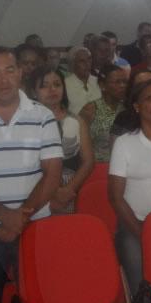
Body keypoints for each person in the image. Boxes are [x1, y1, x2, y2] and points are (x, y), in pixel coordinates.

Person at [0, 47, 62, 303]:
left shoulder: (42, 115)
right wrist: (4, 215)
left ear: (20, 73)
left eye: (10, 70)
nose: (4, 80)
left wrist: (18, 219)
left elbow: (52, 174)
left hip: (34, 229)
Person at [109, 79, 151, 295]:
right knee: (142, 289)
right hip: (135, 223)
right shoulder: (124, 143)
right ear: (137, 107)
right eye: (149, 99)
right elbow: (116, 197)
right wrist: (142, 233)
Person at [29, 66, 94, 214]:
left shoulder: (77, 120)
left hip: (68, 188)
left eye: (57, 84)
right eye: (44, 86)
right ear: (33, 92)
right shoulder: (26, 123)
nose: (52, 90)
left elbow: (88, 161)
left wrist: (67, 190)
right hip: (34, 188)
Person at [80, 65, 127, 162]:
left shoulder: (127, 109)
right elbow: (80, 146)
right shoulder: (90, 109)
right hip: (98, 166)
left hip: (125, 165)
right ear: (102, 85)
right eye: (117, 82)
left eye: (124, 82)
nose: (123, 86)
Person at [110, 69, 151, 139]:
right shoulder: (123, 119)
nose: (147, 88)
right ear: (132, 89)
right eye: (141, 85)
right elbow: (115, 146)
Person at [65, 46, 102, 115]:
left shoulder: (98, 81)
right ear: (73, 64)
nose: (87, 64)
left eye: (89, 59)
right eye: (82, 61)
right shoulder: (65, 84)